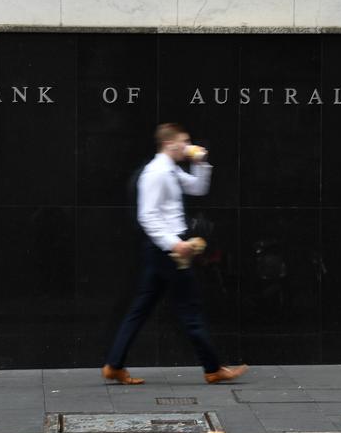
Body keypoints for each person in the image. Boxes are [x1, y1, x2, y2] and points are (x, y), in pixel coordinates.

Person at [101, 123, 248, 385]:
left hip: (164, 249)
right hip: (168, 251)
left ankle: (114, 364)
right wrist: (174, 244)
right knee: (189, 308)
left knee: (142, 307)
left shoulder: (171, 170)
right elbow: (147, 216)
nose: (187, 145)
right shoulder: (156, 173)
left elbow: (197, 188)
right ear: (170, 144)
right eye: (184, 141)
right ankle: (212, 368)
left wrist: (201, 162)